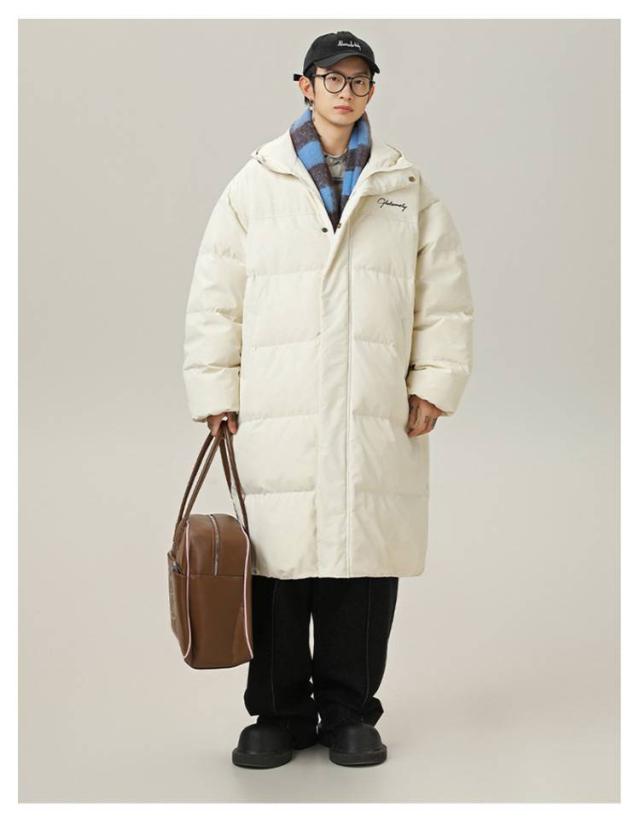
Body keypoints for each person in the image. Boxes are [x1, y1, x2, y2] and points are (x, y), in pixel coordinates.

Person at [182, 30, 474, 768]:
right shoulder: (256, 184)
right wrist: (215, 389)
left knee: (361, 562)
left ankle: (350, 713)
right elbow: (216, 293)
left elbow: (443, 293)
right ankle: (278, 714)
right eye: (331, 79)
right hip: (276, 405)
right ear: (305, 86)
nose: (346, 93)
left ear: (373, 88)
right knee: (277, 566)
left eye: (359, 79)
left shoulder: (405, 186)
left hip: (372, 406)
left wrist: (433, 383)